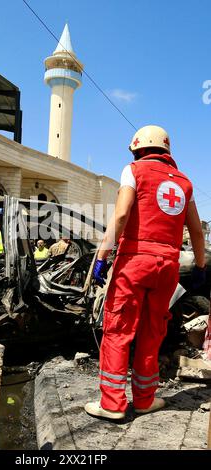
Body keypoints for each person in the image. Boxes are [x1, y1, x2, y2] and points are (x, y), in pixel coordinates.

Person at [85, 125, 206, 420]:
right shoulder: (185, 183)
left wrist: (102, 254)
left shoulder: (133, 170)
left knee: (118, 330)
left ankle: (112, 404)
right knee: (152, 332)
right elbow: (197, 232)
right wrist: (200, 267)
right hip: (167, 267)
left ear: (138, 148)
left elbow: (123, 214)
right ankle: (144, 399)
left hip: (134, 263)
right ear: (167, 150)